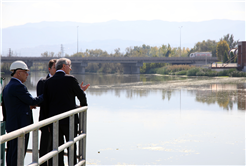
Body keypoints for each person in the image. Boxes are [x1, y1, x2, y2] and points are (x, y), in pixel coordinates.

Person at [43, 58, 89, 165]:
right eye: (69, 65)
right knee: (71, 147)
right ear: (64, 66)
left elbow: (45, 104)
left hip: (54, 121)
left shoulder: (48, 82)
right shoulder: (71, 79)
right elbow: (82, 96)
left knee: (57, 148)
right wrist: (83, 107)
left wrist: (48, 123)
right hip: (70, 120)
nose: (71, 68)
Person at [2, 60, 43, 166]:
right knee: (18, 152)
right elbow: (32, 101)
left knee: (12, 152)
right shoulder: (18, 86)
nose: (27, 75)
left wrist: (27, 106)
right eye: (25, 72)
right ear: (19, 72)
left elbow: (13, 105)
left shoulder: (8, 86)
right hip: (20, 125)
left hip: (12, 125)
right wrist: (45, 95)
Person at [36, 59, 56, 166]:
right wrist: (46, 121)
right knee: (45, 145)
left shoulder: (60, 81)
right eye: (54, 68)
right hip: (46, 119)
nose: (56, 70)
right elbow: (42, 103)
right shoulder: (42, 81)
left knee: (56, 146)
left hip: (58, 121)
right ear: (49, 69)